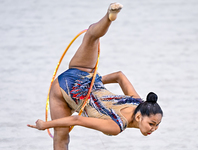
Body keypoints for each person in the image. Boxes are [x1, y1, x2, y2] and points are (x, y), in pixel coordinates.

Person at [28, 2, 163, 150]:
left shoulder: (137, 102)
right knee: (61, 139)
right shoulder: (116, 126)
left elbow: (119, 76)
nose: (154, 129)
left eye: (156, 125)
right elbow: (78, 119)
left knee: (91, 36)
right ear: (139, 117)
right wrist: (44, 125)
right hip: (62, 92)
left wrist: (95, 81)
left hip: (82, 72)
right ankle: (110, 15)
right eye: (151, 124)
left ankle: (109, 16)